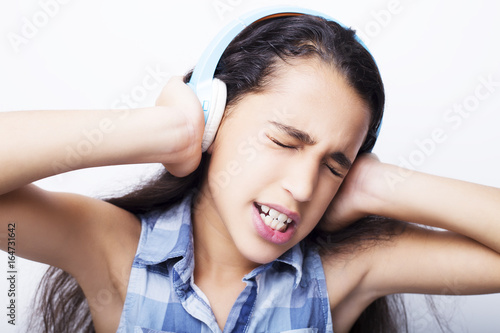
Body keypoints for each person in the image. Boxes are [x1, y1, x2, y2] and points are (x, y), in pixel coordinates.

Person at [1, 11, 499, 333]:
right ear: (214, 120)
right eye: (285, 141)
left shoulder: (342, 275)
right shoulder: (114, 250)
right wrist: (166, 130)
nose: (305, 187)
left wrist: (379, 186)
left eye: (333, 165)